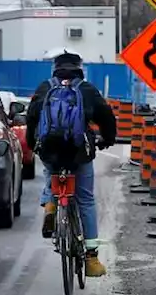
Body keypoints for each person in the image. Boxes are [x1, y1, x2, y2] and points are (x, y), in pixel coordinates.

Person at [25, 48, 118, 278]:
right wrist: (107, 140)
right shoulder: (86, 89)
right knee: (85, 199)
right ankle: (92, 258)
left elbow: (31, 118)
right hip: (78, 153)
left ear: (55, 67)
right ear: (79, 68)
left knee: (51, 171)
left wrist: (32, 143)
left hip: (51, 151)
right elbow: (106, 117)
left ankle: (50, 204)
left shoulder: (45, 88)